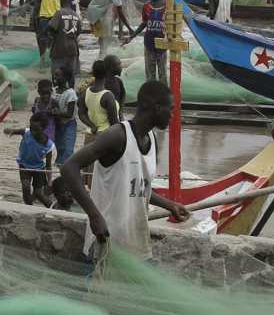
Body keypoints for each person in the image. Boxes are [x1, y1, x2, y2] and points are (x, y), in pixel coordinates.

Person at [59, 80, 190, 256]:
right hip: (105, 241)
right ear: (157, 107)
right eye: (171, 108)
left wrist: (170, 205)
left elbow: (138, 187)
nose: (173, 115)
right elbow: (69, 167)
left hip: (134, 243)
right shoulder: (117, 135)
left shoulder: (151, 140)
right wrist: (94, 216)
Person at [17, 112, 56, 207]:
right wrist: (11, 131)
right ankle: (29, 207)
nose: (32, 131)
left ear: (43, 129)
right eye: (31, 128)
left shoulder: (49, 145)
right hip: (24, 165)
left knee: (38, 193)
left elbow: (48, 165)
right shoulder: (27, 132)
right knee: (25, 187)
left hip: (39, 169)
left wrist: (50, 181)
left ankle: (52, 206)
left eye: (35, 129)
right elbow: (17, 131)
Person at [134, 0, 167, 85]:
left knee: (163, 74)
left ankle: (163, 96)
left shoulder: (167, 7)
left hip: (162, 44)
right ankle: (151, 95)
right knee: (149, 74)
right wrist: (132, 35)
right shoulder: (146, 7)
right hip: (148, 44)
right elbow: (144, 23)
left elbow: (171, 24)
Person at [81, 59, 120, 147]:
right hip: (105, 136)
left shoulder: (86, 92)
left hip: (90, 135)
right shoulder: (107, 96)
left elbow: (81, 113)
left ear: (93, 73)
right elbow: (114, 122)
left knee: (88, 160)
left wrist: (92, 126)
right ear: (107, 74)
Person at [48, 0, 84, 84]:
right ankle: (71, 92)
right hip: (72, 49)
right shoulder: (76, 15)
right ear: (70, 3)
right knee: (71, 74)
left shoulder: (59, 13)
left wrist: (53, 37)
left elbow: (51, 28)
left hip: (59, 48)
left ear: (61, 2)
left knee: (56, 74)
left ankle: (57, 92)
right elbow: (79, 31)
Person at [50, 65, 79, 163]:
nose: (55, 77)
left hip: (68, 125)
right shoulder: (53, 91)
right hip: (57, 125)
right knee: (61, 149)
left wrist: (56, 113)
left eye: (58, 75)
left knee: (68, 150)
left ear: (66, 78)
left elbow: (69, 114)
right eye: (54, 75)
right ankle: (63, 172)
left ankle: (67, 171)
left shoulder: (71, 94)